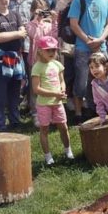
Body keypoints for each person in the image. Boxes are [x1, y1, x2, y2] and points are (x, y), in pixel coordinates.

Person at [68, 0, 108, 123]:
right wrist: (88, 40)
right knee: (81, 82)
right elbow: (73, 24)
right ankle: (79, 113)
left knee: (102, 81)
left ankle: (98, 110)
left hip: (101, 47)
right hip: (83, 47)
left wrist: (100, 39)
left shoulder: (106, 0)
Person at [0, 0, 27, 131]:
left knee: (15, 91)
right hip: (0, 59)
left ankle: (15, 120)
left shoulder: (15, 14)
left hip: (16, 58)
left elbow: (24, 30)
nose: (4, 0)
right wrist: (17, 34)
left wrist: (18, 33)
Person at [31, 36, 73, 165]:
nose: (51, 53)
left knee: (63, 127)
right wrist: (54, 93)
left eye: (54, 50)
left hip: (58, 103)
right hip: (44, 104)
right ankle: (48, 156)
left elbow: (62, 81)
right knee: (44, 129)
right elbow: (36, 89)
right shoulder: (37, 67)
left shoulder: (57, 64)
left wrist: (62, 90)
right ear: (40, 51)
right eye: (48, 50)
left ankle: (68, 150)